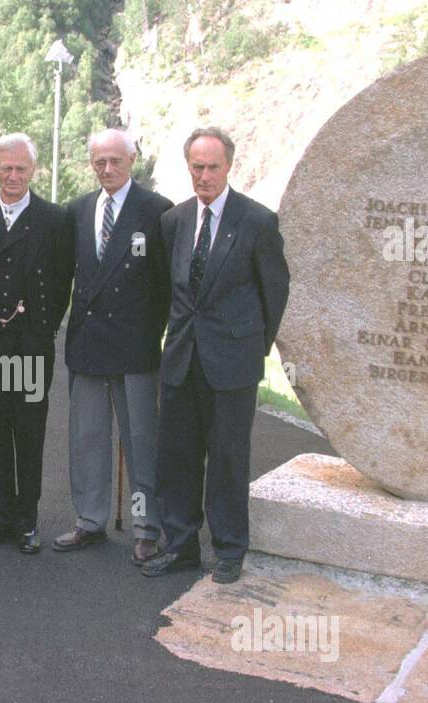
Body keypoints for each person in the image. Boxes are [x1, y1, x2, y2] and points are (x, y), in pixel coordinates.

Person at [141, 127, 290, 583]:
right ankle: (181, 545)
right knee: (177, 458)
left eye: (212, 167)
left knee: (227, 460)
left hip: (233, 364)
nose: (204, 176)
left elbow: (275, 293)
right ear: (188, 167)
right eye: (196, 167)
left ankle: (228, 551)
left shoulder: (258, 222)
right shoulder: (174, 221)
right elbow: (166, 290)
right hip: (182, 358)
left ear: (229, 167)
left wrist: (251, 349)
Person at [54, 128, 173, 563]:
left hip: (135, 346)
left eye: (115, 161)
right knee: (87, 438)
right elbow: (69, 275)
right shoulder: (78, 211)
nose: (107, 169)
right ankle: (89, 520)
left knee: (142, 441)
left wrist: (149, 331)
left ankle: (146, 527)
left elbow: (165, 287)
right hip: (86, 343)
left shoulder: (157, 211)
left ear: (131, 159)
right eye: (99, 161)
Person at [0, 133, 73, 554]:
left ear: (33, 171)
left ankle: (27, 520)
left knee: (27, 432)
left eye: (20, 169)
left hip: (30, 344)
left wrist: (42, 329)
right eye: (6, 168)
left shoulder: (55, 219)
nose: (13, 175)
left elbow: (63, 282)